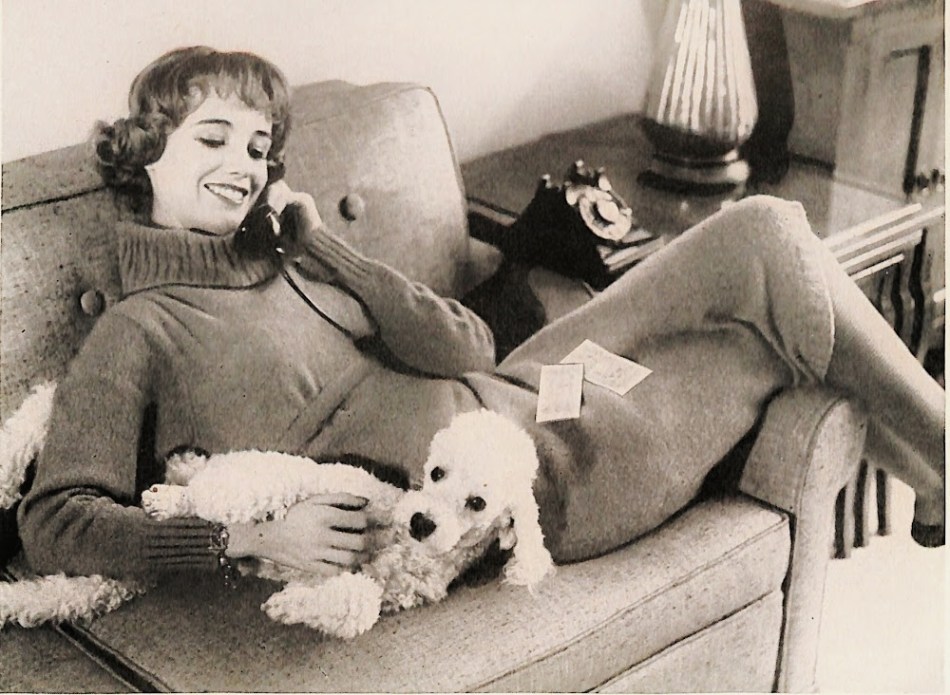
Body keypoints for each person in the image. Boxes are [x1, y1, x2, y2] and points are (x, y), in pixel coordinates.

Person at [17, 46, 945, 584]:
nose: (242, 162)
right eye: (210, 138)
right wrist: (246, 538)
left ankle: (938, 467)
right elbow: (56, 518)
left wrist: (323, 249)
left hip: (524, 386)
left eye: (258, 146)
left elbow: (469, 342)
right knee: (764, 331)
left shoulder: (292, 259)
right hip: (537, 478)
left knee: (762, 233)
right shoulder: (137, 331)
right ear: (144, 157)